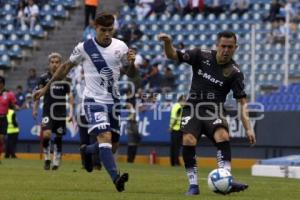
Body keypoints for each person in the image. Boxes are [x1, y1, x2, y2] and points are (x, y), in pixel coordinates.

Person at [33, 12, 137, 192]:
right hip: (93, 100)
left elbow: (132, 74)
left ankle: (87, 151)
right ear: (95, 28)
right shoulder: (84, 47)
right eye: (103, 30)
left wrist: (132, 63)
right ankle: (116, 178)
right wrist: (45, 88)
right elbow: (64, 68)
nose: (106, 34)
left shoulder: (121, 46)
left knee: (112, 145)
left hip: (113, 101)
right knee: (104, 137)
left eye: (110, 30)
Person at [158, 31, 256, 195]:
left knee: (222, 136)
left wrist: (249, 128)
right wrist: (168, 42)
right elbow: (172, 55)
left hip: (214, 109)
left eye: (230, 47)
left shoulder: (235, 72)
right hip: (193, 107)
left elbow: (242, 103)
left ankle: (227, 180)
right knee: (188, 139)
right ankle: (193, 185)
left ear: (235, 48)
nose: (226, 50)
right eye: (223, 46)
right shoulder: (200, 55)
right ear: (217, 45)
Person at [32, 52, 74, 171]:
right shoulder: (43, 78)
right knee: (47, 134)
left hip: (60, 112)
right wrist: (35, 109)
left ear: (60, 64)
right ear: (49, 64)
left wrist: (71, 112)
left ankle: (57, 159)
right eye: (52, 62)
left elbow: (70, 96)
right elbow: (37, 95)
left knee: (59, 136)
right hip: (47, 111)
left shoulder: (67, 79)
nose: (55, 65)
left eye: (57, 62)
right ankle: (47, 158)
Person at [0, 76, 18, 164]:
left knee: (2, 138)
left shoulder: (9, 94)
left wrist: (16, 107)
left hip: (3, 118)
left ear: (3, 84)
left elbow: (14, 104)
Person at [169, 95, 185, 166]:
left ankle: (174, 162)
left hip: (179, 129)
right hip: (176, 129)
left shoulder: (180, 107)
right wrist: (171, 127)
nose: (185, 102)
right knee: (175, 147)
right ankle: (175, 162)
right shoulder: (177, 106)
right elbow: (174, 117)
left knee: (175, 147)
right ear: (180, 100)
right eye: (184, 100)